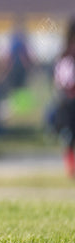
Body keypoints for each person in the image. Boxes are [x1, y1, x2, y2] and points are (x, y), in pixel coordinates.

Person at [51, 19, 75, 178]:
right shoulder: (66, 58)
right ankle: (71, 166)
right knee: (69, 137)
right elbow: (62, 82)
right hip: (69, 103)